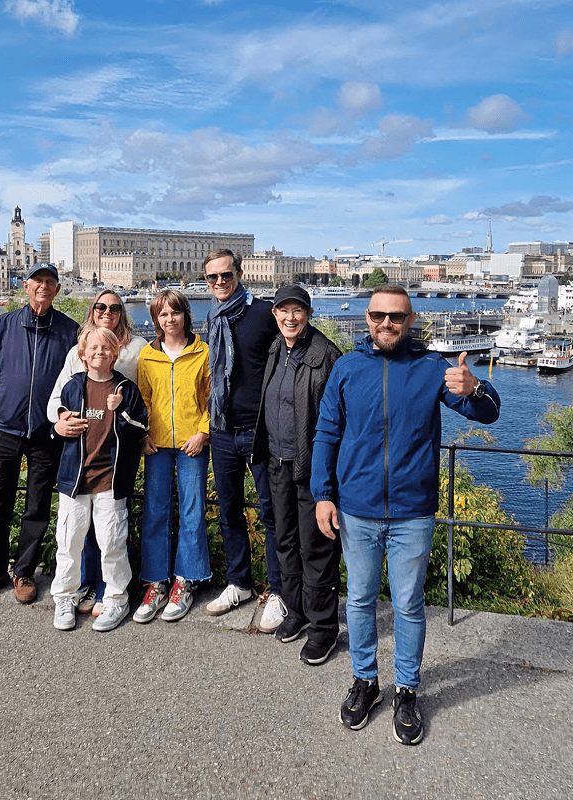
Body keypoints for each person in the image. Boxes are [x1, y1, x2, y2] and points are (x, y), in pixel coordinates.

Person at [311, 285, 501, 744]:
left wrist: (476, 387)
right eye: (378, 315)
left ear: (410, 321)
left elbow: (489, 414)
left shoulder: (432, 369)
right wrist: (322, 494)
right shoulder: (346, 368)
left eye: (396, 317)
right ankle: (365, 681)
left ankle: (407, 689)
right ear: (368, 317)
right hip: (356, 509)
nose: (386, 324)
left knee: (409, 605)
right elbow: (326, 433)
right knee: (358, 600)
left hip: (413, 511)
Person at [0, 263, 78, 604]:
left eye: (50, 282)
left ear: (57, 290)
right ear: (26, 287)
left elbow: (77, 378)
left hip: (46, 432)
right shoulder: (4, 324)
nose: (44, 287)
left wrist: (63, 414)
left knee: (37, 505)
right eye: (38, 282)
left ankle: (24, 572)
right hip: (6, 427)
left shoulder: (70, 331)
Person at [252, 285, 343, 665]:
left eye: (298, 311)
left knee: (316, 548)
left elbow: (340, 422)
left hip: (311, 468)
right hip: (277, 461)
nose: (291, 318)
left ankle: (324, 628)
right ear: (275, 314)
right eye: (284, 311)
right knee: (285, 542)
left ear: (308, 314)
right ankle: (297, 611)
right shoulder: (277, 348)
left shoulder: (326, 356)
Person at [48, 290, 148, 617]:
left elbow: (139, 420)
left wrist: (122, 413)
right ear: (83, 353)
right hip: (75, 474)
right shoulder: (73, 385)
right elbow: (58, 411)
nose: (100, 353)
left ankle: (114, 598)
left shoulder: (124, 387)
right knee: (71, 541)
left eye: (115, 308)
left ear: (116, 353)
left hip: (111, 472)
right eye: (94, 349)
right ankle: (68, 597)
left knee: (111, 542)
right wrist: (57, 425)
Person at [202, 248, 284, 632]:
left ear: (239, 274)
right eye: (213, 278)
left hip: (258, 430)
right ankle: (240, 583)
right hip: (221, 429)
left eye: (225, 275)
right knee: (230, 510)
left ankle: (279, 591)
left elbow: (298, 348)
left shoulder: (262, 313)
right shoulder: (213, 315)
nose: (219, 282)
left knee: (271, 513)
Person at [133, 288, 211, 623]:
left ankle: (185, 579)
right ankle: (156, 581)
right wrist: (142, 435)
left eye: (175, 313)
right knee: (155, 510)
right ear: (156, 321)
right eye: (163, 315)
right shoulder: (147, 357)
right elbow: (143, 400)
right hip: (157, 443)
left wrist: (204, 432)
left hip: (191, 442)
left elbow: (211, 398)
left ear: (185, 316)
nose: (170, 319)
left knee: (192, 510)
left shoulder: (203, 352)